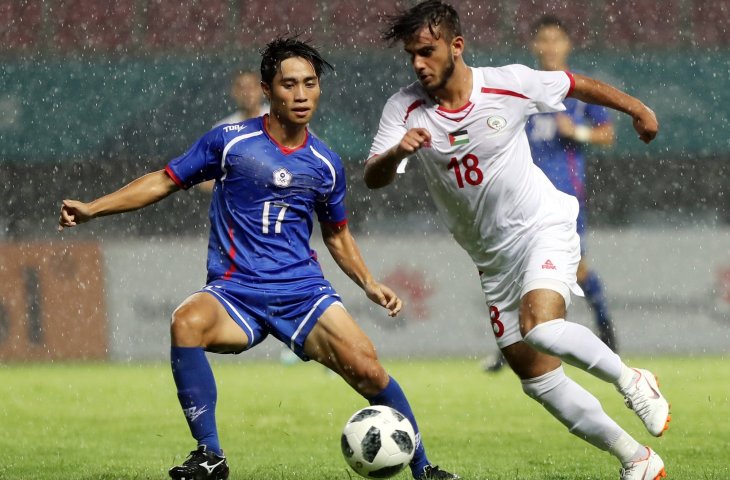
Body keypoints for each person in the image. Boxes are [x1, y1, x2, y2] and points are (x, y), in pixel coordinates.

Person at [59, 38, 458, 480]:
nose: (301, 94)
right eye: (289, 85)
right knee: (186, 321)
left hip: (302, 293)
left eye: (310, 84)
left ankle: (425, 469)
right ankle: (209, 456)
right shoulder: (230, 142)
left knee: (368, 369)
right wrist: (94, 208)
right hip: (236, 292)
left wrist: (368, 282)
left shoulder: (325, 162)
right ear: (268, 90)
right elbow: (163, 181)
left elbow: (337, 235)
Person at [363, 2, 669, 479]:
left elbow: (572, 84)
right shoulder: (403, 107)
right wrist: (397, 152)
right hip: (492, 261)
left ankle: (633, 379)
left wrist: (639, 110)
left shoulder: (507, 82)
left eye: (427, 51)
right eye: (411, 55)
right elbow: (374, 177)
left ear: (456, 46)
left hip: (542, 226)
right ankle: (638, 459)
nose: (418, 64)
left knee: (540, 326)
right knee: (538, 379)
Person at [483, 15, 618, 373]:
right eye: (544, 40)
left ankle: (607, 333)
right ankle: (512, 346)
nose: (550, 47)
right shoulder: (524, 92)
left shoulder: (578, 91)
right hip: (523, 200)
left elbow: (608, 134)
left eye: (557, 40)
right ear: (535, 46)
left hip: (565, 198)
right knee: (517, 272)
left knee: (577, 270)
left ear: (567, 45)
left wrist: (578, 132)